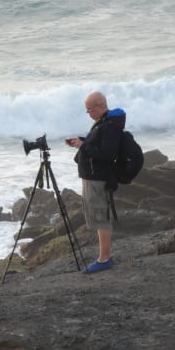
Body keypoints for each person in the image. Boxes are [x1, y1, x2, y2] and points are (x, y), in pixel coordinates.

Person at [65, 91, 125, 274]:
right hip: (92, 177)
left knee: (100, 217)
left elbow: (107, 154)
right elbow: (98, 145)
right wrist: (82, 141)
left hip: (98, 178)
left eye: (89, 109)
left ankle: (104, 258)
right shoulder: (103, 123)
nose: (88, 113)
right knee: (97, 217)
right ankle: (104, 256)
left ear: (100, 105)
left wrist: (83, 146)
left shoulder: (110, 126)